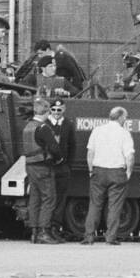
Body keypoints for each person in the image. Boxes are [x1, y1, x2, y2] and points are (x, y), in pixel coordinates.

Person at [83, 106, 135, 245]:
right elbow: (129, 155)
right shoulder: (124, 134)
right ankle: (110, 237)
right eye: (125, 117)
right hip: (117, 172)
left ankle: (89, 237)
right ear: (120, 117)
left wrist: (90, 170)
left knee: (94, 205)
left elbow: (90, 154)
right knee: (115, 206)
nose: (126, 119)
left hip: (98, 171)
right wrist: (129, 171)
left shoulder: (97, 130)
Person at [23, 98, 62, 244]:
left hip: (30, 166)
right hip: (43, 166)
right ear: (46, 112)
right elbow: (54, 148)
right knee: (49, 198)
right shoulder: (43, 128)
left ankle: (34, 231)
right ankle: (44, 232)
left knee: (35, 198)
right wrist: (59, 159)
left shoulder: (28, 127)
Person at [46, 98, 76, 240]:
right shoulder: (45, 124)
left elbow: (72, 145)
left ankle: (55, 228)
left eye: (59, 110)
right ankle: (45, 227)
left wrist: (68, 165)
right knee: (48, 198)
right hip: (48, 167)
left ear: (63, 110)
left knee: (60, 199)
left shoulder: (68, 124)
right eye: (54, 110)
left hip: (63, 167)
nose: (56, 112)